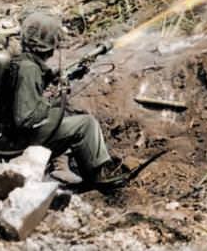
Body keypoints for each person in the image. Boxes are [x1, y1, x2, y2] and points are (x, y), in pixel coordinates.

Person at [11, 12, 129, 188]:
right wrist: (50, 99)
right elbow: (25, 118)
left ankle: (60, 164)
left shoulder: (22, 61)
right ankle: (98, 176)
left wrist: (60, 77)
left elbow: (30, 86)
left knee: (62, 112)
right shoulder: (29, 70)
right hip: (19, 140)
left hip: (10, 134)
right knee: (86, 124)